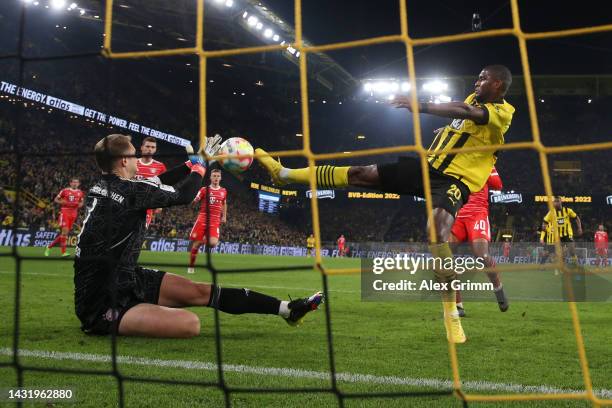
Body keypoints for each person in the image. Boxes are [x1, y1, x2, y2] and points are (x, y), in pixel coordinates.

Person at [256, 65, 514, 343]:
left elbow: (464, 113)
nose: (477, 81)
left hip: (455, 181)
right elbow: (462, 114)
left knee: (437, 231)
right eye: (477, 77)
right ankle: (283, 175)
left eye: (483, 78)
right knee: (359, 174)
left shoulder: (503, 113)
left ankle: (451, 315)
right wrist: (446, 129)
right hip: (428, 167)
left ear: (498, 85)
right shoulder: (473, 99)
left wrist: (422, 105)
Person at [74, 134, 323, 338]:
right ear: (123, 161)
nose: (138, 157)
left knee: (199, 291)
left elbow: (156, 181)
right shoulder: (129, 191)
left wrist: (191, 163)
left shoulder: (108, 186)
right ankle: (130, 315)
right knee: (189, 324)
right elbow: (182, 196)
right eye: (134, 154)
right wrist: (201, 166)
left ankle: (287, 310)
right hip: (102, 301)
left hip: (126, 277)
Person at [450, 167, 509, 317]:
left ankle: (498, 287)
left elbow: (498, 184)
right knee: (444, 255)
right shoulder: (454, 163)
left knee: (481, 255)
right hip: (458, 213)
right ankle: (458, 305)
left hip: (477, 213)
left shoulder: (486, 162)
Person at [187, 169, 227, 274]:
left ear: (221, 178)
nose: (216, 178)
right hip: (203, 218)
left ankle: (204, 238)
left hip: (215, 220)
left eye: (218, 176)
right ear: (210, 177)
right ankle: (191, 266)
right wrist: (192, 200)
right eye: (214, 176)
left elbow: (224, 203)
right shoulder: (204, 190)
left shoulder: (223, 191)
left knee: (213, 243)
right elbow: (196, 199)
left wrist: (224, 216)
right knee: (196, 245)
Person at [45, 178, 84, 257]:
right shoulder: (64, 191)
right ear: (70, 183)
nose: (75, 184)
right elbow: (56, 199)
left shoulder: (80, 192)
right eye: (73, 182)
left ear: (79, 184)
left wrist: (80, 205)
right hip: (65, 213)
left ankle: (49, 247)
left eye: (76, 182)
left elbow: (81, 202)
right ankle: (63, 252)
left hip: (74, 214)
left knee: (64, 234)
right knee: (64, 233)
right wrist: (61, 202)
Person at [540, 196, 582, 267]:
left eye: (557, 201)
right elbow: (544, 221)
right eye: (555, 201)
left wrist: (579, 228)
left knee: (571, 248)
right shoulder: (551, 212)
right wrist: (543, 226)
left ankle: (576, 263)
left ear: (560, 202)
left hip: (567, 234)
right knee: (556, 252)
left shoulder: (567, 210)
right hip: (557, 236)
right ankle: (559, 265)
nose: (556, 203)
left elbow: (576, 218)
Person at [135, 137, 167, 228]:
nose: (150, 149)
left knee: (140, 233)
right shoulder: (132, 163)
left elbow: (164, 186)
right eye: (147, 146)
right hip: (130, 203)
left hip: (147, 206)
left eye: (153, 147)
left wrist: (160, 204)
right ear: (141, 147)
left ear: (155, 149)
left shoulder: (160, 166)